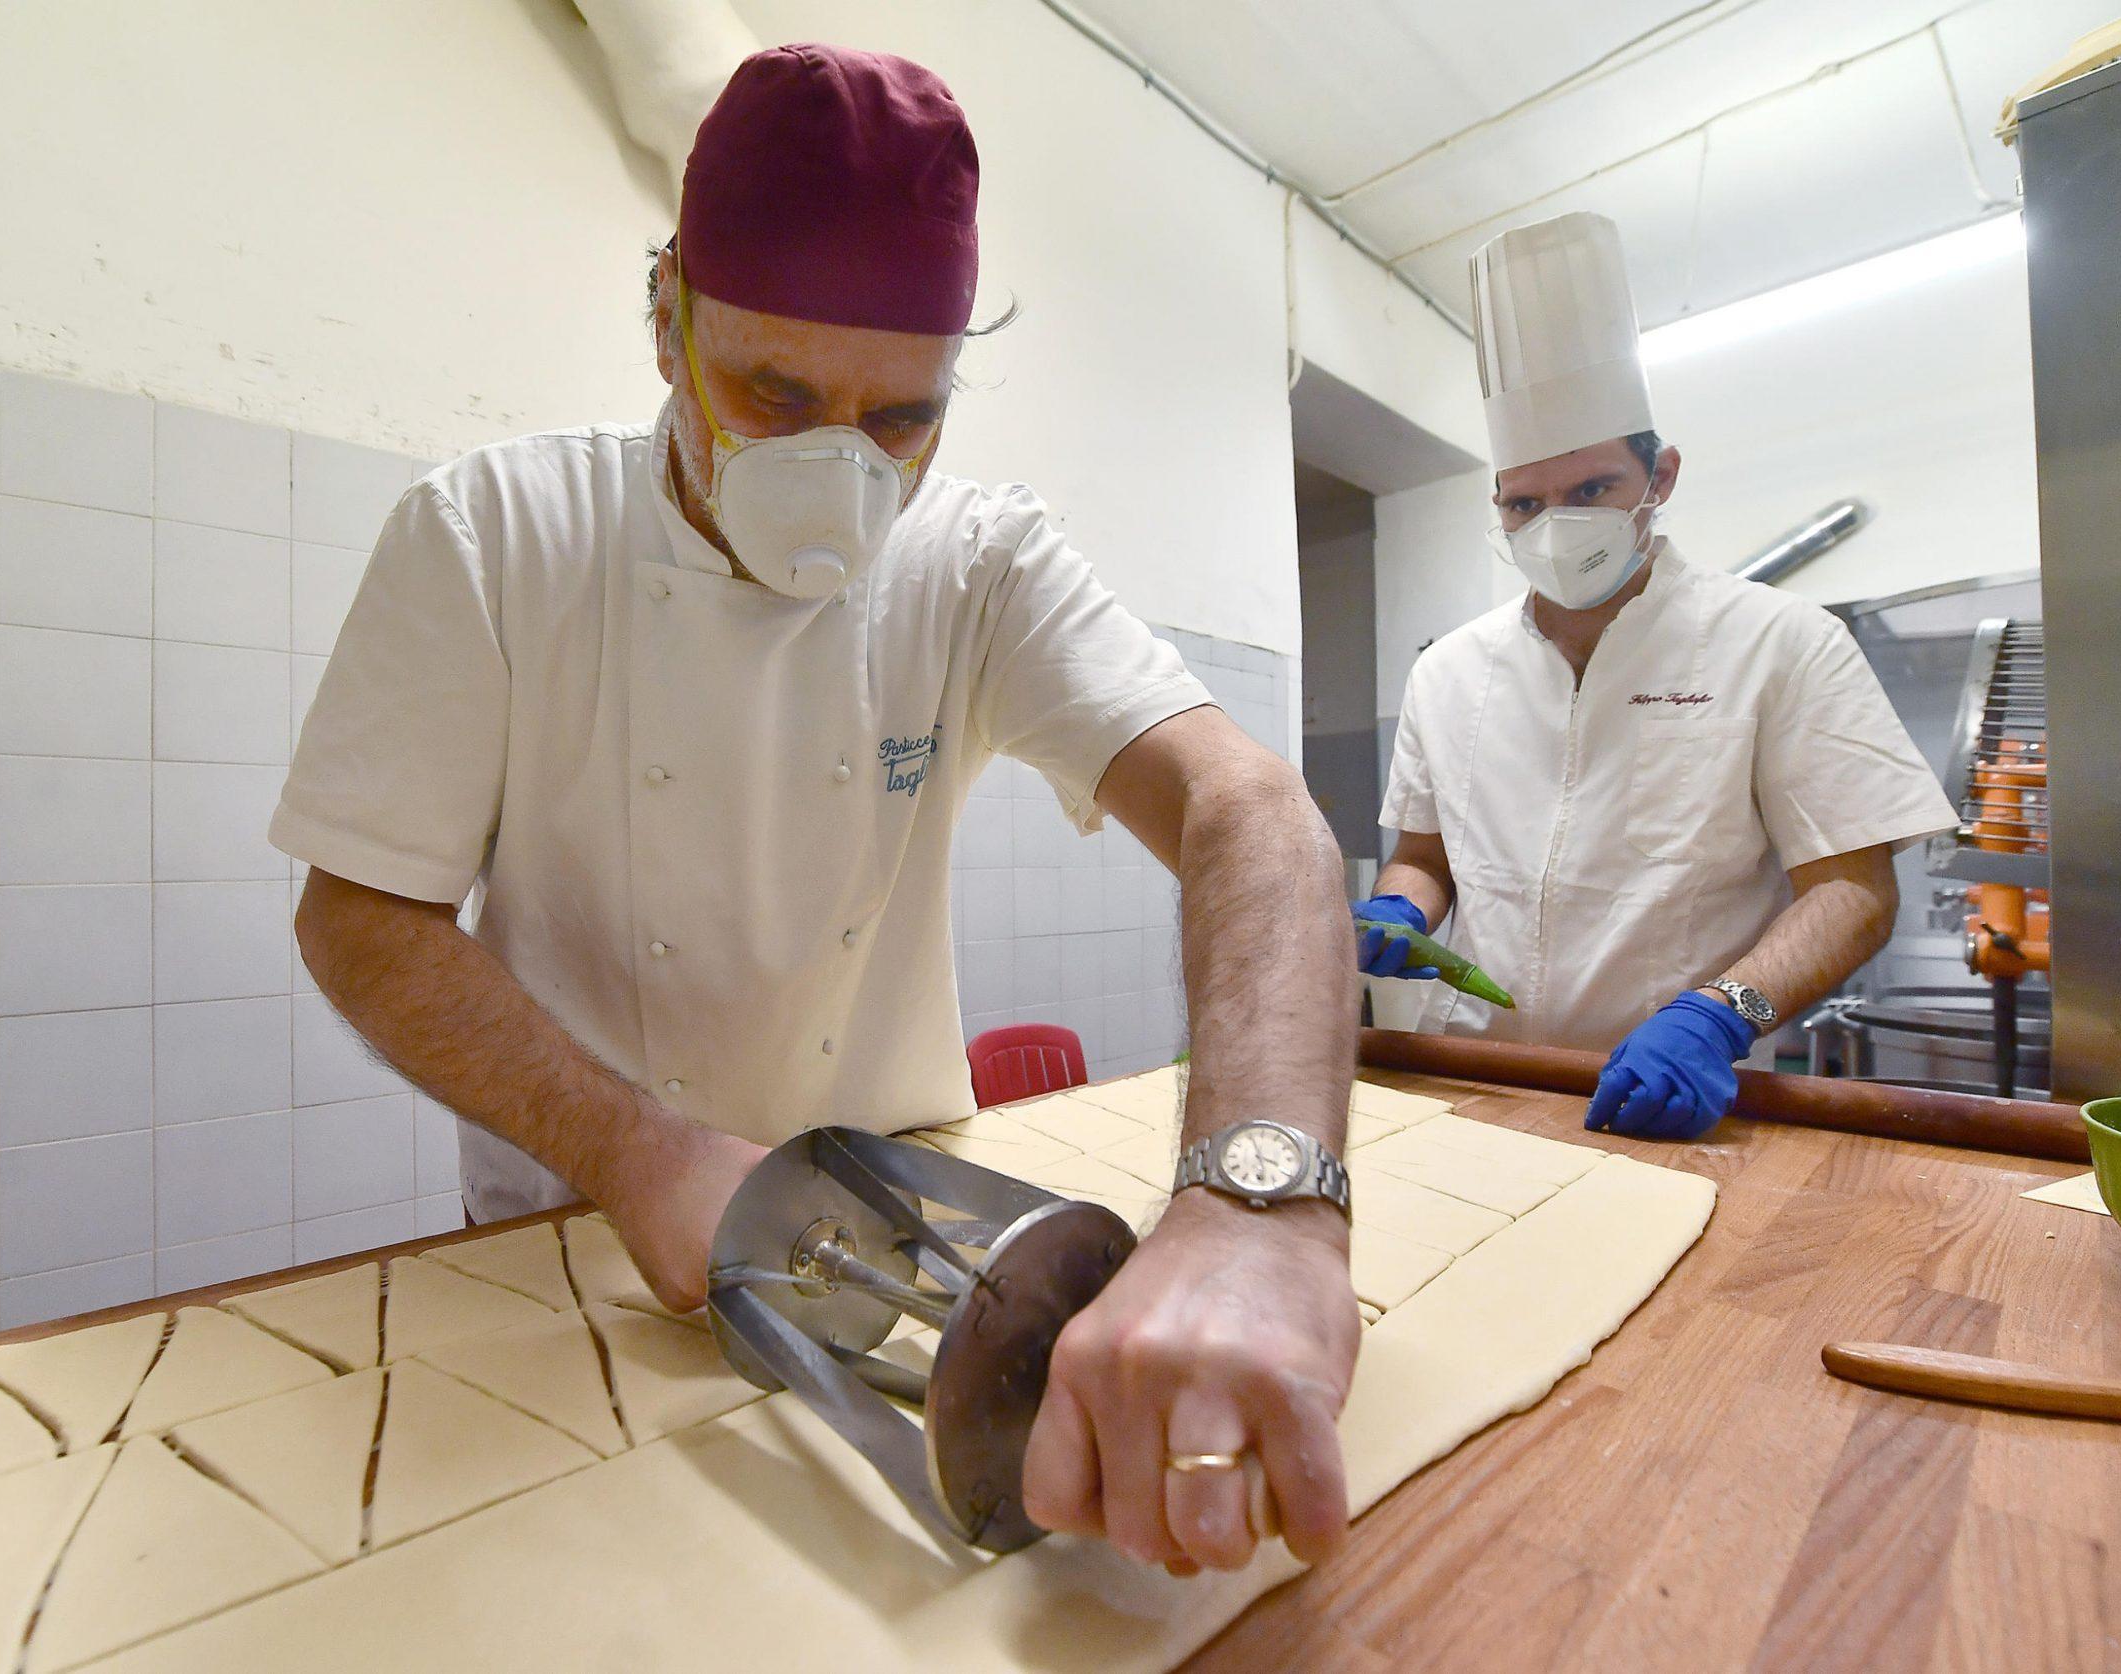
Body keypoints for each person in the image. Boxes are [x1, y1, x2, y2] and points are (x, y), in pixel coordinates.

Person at [273, 44, 1358, 1575]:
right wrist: (641, 1153)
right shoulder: (497, 537)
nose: (838, 469)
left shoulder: (981, 564)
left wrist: (1259, 1197)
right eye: (774, 391)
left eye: (901, 420)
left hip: (924, 1225)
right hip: (576, 1237)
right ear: (665, 318)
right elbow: (358, 917)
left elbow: (1246, 810)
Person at [1357, 211, 1958, 1141]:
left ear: (1659, 476)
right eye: (1526, 502)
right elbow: (1429, 856)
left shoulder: (1781, 642)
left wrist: (1721, 1016)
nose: (1556, 524)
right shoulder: (1449, 672)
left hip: (1672, 1095)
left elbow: (1854, 889)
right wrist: (1403, 905)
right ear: (1499, 505)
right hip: (1476, 1079)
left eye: (1590, 490)